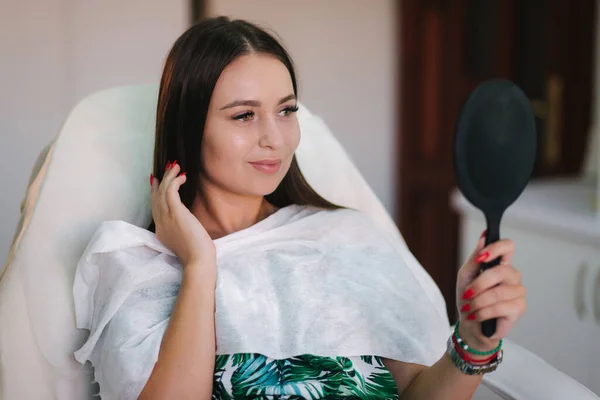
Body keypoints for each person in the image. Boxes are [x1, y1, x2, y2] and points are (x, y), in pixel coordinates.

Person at [73, 17, 526, 399]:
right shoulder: (138, 267)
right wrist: (200, 266)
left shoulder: (344, 239)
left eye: (286, 110)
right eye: (244, 115)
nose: (276, 138)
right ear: (189, 128)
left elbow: (415, 394)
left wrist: (471, 341)